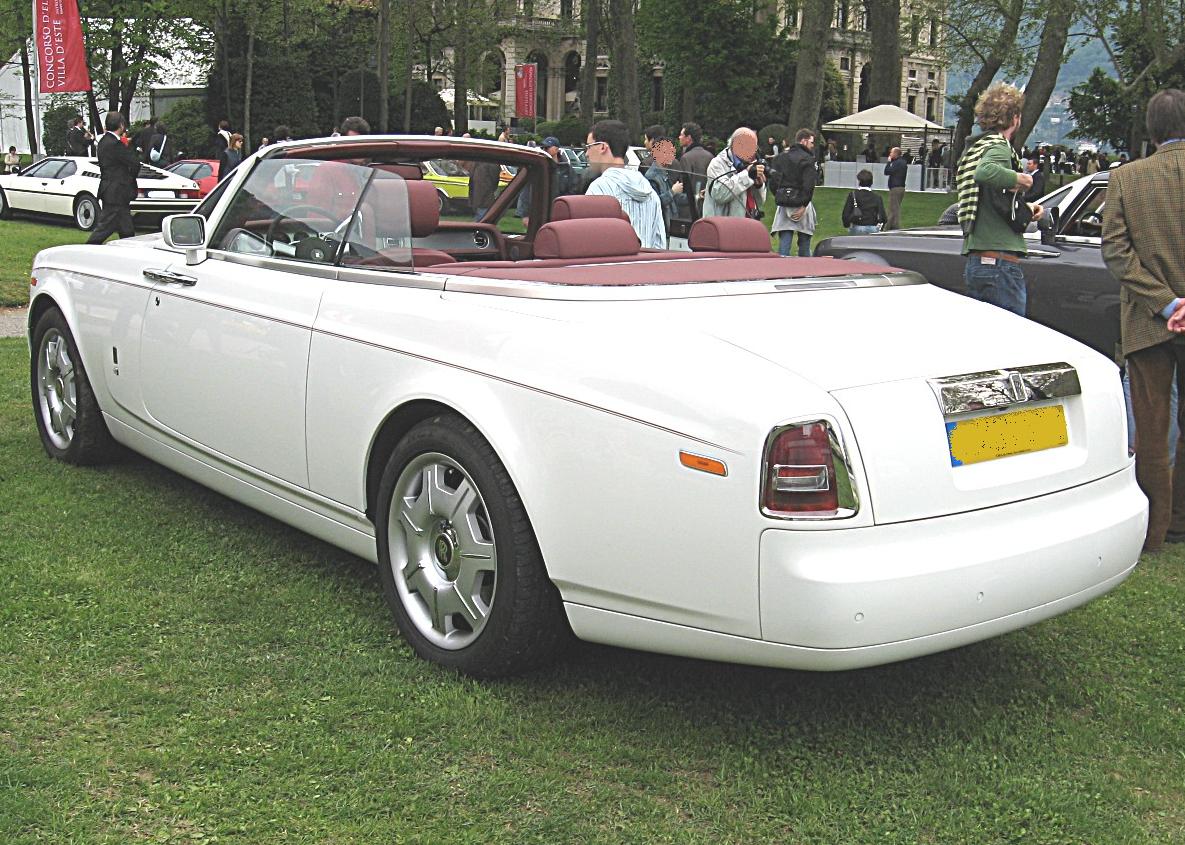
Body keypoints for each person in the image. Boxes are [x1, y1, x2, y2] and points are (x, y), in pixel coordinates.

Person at [1102, 88, 1185, 552]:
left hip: (1147, 319)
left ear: (1151, 130)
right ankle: (1178, 522)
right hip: (1164, 313)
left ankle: (1153, 528)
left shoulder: (1127, 179)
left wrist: (1166, 303)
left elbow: (1115, 249)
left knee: (1151, 427)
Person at [954, 82, 1043, 316]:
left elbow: (994, 199)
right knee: (1010, 342)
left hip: (978, 260)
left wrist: (1027, 208)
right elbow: (985, 172)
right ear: (1014, 117)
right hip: (1000, 263)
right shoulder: (999, 147)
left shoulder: (976, 147)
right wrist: (1021, 179)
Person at [584, 119, 666, 249]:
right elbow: (659, 243)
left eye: (589, 147)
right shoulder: (649, 191)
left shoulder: (598, 189)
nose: (586, 154)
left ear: (602, 147)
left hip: (612, 267)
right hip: (644, 267)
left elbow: (589, 241)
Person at [87, 111, 142, 244]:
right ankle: (86, 250)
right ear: (121, 125)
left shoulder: (103, 142)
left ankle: (128, 251)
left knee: (126, 229)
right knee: (104, 228)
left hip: (110, 189)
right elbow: (134, 163)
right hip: (118, 190)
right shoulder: (115, 144)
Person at [769, 128, 818, 256]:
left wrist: (780, 196)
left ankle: (781, 271)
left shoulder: (780, 158)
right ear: (804, 141)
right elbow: (809, 185)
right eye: (811, 142)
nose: (813, 146)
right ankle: (804, 272)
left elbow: (773, 182)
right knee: (804, 243)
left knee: (784, 242)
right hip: (802, 202)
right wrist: (804, 205)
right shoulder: (808, 159)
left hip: (784, 204)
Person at [702, 126, 767, 220]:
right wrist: (747, 175)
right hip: (721, 227)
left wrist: (759, 186)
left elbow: (760, 202)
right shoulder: (717, 163)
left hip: (747, 225)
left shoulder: (751, 164)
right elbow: (719, 194)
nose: (754, 151)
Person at [642, 125, 676, 228]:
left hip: (669, 223)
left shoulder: (665, 172)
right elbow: (654, 202)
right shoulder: (652, 176)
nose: (673, 155)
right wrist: (673, 192)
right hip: (660, 225)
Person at [841, 169, 887, 234]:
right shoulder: (877, 197)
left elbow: (845, 214)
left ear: (859, 181)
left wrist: (847, 225)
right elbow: (883, 217)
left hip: (857, 226)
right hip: (872, 228)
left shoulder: (853, 195)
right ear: (871, 182)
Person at [883, 147, 908, 228]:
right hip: (901, 187)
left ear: (895, 154)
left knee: (893, 208)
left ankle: (893, 226)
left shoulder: (896, 163)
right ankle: (892, 225)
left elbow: (887, 171)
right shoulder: (903, 162)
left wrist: (888, 162)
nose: (890, 154)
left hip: (895, 187)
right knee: (894, 207)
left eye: (891, 153)